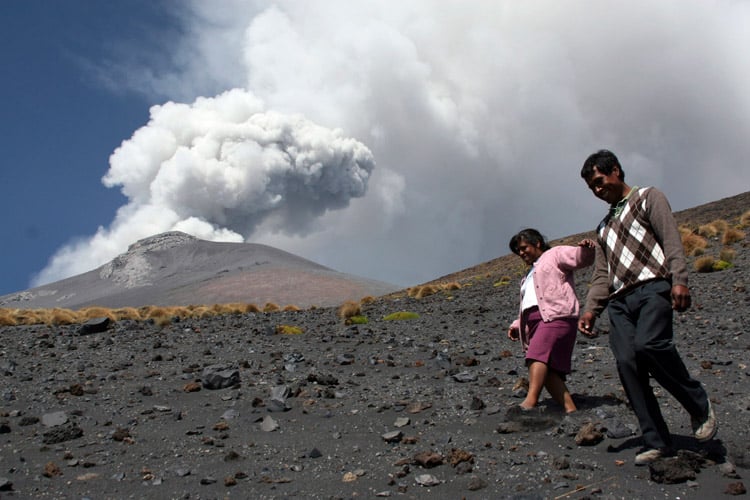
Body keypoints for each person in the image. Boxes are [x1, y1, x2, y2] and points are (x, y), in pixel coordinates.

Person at [577, 149, 717, 466]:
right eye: (592, 189)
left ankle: (699, 405)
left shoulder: (647, 197)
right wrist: (591, 310)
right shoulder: (603, 228)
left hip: (654, 287)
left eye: (600, 181)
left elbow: (671, 239)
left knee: (651, 344)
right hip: (619, 302)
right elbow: (602, 274)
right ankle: (656, 440)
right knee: (628, 363)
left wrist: (679, 279)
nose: (599, 191)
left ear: (615, 171)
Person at [507, 228, 596, 414]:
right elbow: (529, 302)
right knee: (548, 371)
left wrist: (586, 249)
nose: (521, 253)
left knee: (536, 356)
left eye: (524, 248)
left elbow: (581, 259)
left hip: (555, 317)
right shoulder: (527, 276)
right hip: (535, 323)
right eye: (518, 251)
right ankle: (570, 410)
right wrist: (517, 325)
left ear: (537, 243)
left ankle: (530, 402)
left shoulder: (554, 255)